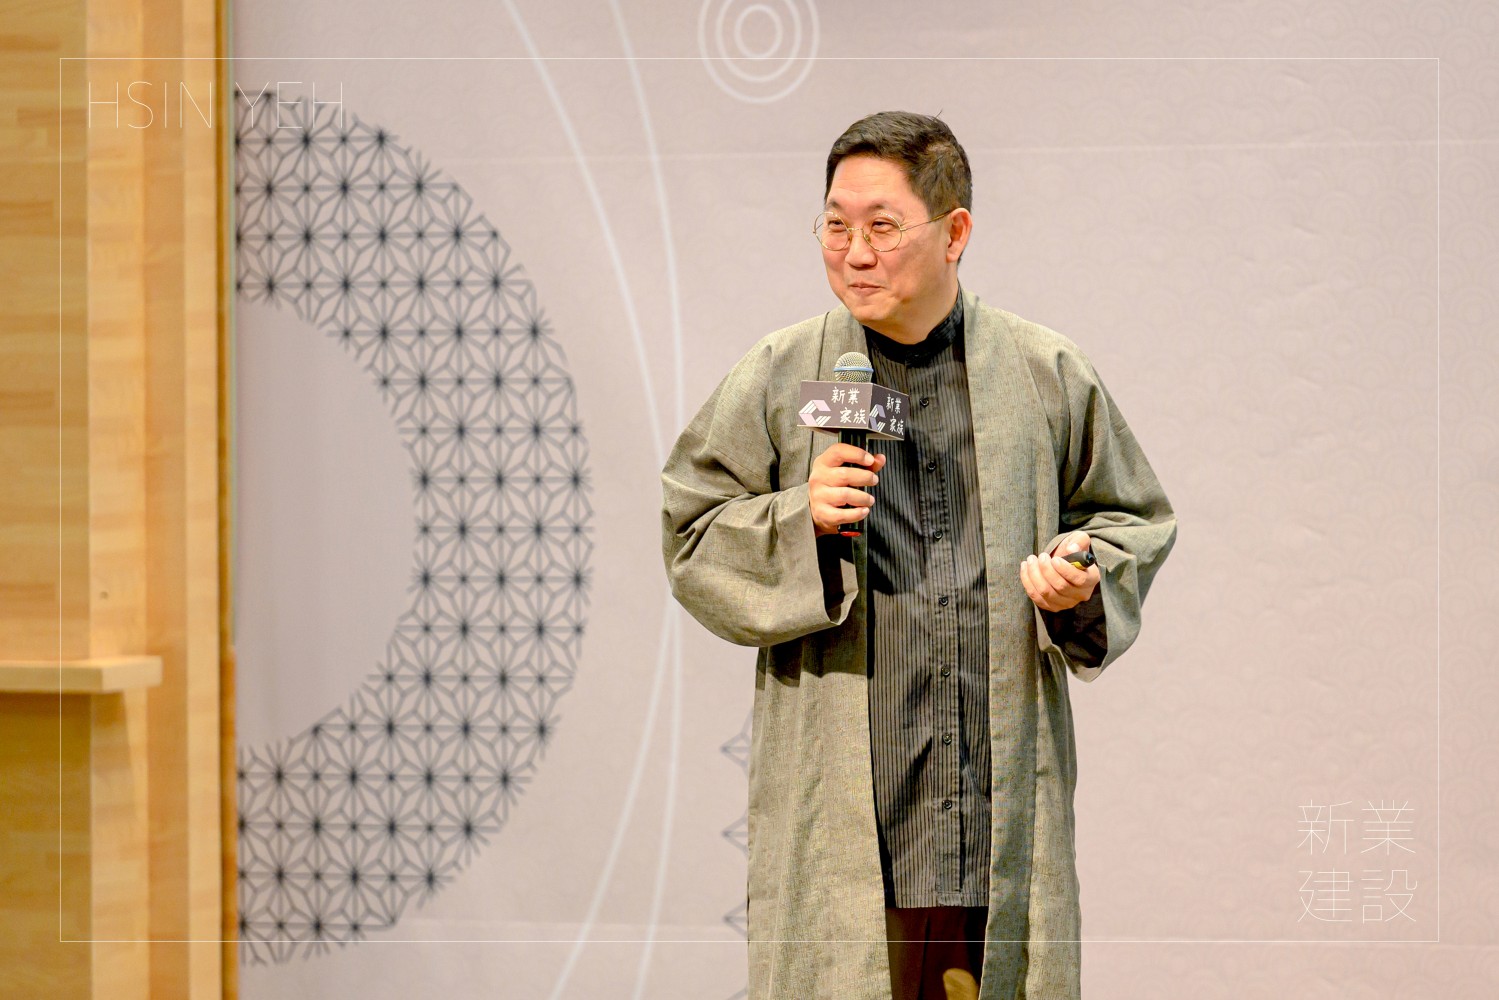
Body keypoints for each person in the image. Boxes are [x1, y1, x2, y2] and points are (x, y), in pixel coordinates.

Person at [660, 111, 1177, 1000]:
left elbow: (1130, 519)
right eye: (835, 226)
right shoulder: (785, 374)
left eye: (882, 227)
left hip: (989, 807)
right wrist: (799, 520)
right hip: (850, 818)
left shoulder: (1043, 373)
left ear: (955, 231)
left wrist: (1080, 577)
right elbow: (691, 530)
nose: (854, 253)